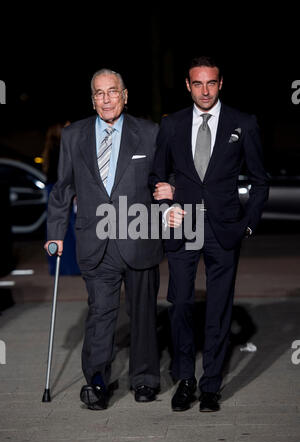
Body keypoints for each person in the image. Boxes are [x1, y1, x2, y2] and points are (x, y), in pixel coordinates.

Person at [44, 69, 171, 410]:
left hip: (139, 235)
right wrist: (55, 234)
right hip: (96, 239)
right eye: (99, 93)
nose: (106, 99)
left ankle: (145, 379)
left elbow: (164, 177)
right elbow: (63, 188)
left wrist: (169, 193)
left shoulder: (149, 133)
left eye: (112, 92)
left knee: (143, 313)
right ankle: (97, 382)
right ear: (92, 99)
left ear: (125, 95)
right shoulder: (74, 136)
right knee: (101, 313)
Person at [150, 56, 269, 412]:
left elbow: (261, 181)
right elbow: (157, 176)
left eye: (211, 83)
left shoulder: (242, 123)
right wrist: (165, 204)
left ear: (220, 84)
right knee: (181, 304)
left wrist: (247, 224)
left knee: (218, 309)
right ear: (188, 85)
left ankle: (211, 385)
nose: (205, 90)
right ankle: (185, 379)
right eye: (197, 84)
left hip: (224, 229)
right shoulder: (171, 125)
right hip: (183, 225)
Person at [42, 120, 81, 276]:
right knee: (68, 230)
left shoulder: (50, 148)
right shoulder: (61, 148)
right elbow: (66, 175)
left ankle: (60, 267)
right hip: (62, 190)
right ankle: (71, 267)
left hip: (53, 189)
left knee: (56, 229)